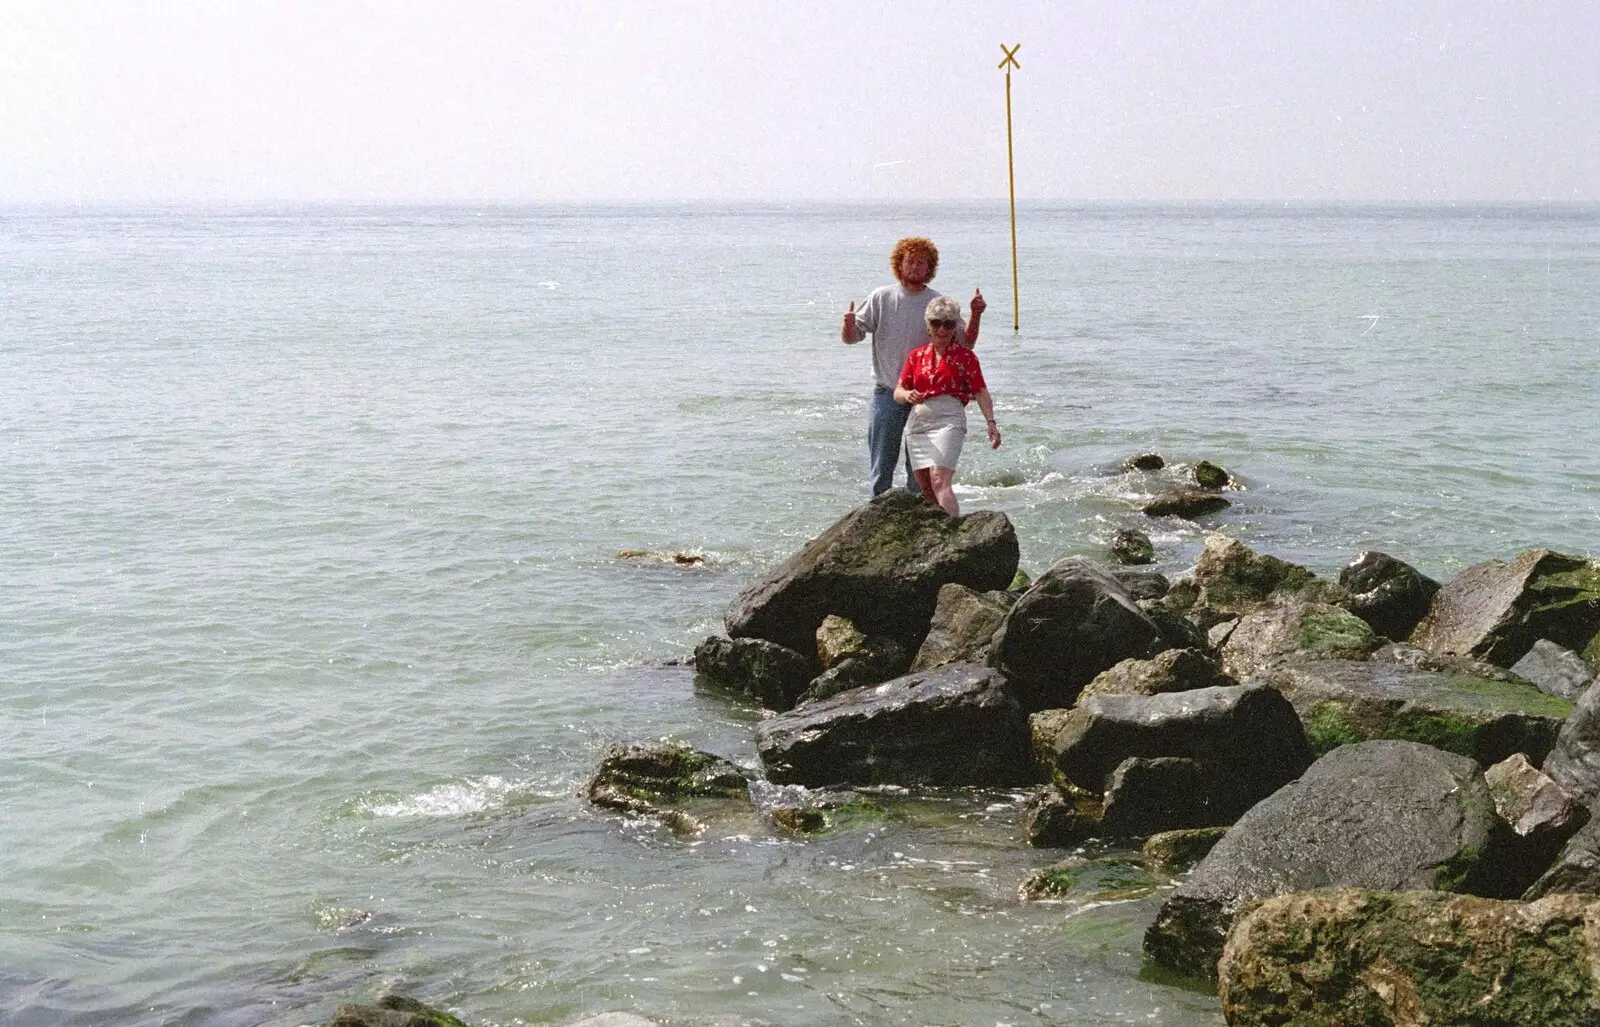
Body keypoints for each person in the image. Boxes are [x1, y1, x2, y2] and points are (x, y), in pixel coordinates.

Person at [841, 237, 985, 496]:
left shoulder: (937, 303)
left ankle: (918, 523)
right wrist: (848, 324)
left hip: (926, 398)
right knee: (881, 465)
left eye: (921, 262)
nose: (915, 267)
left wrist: (975, 315)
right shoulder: (881, 297)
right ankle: (876, 518)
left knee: (919, 471)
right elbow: (852, 338)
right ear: (899, 264)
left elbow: (966, 342)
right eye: (910, 261)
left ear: (930, 268)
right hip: (888, 392)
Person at [893, 295, 1000, 516]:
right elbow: (898, 391)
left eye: (949, 324)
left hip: (949, 419)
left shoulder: (966, 357)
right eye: (936, 323)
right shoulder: (916, 356)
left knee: (939, 478)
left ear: (955, 327)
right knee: (924, 485)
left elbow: (980, 391)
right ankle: (938, 533)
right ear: (928, 326)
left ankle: (954, 530)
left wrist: (991, 421)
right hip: (918, 422)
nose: (942, 329)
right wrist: (908, 395)